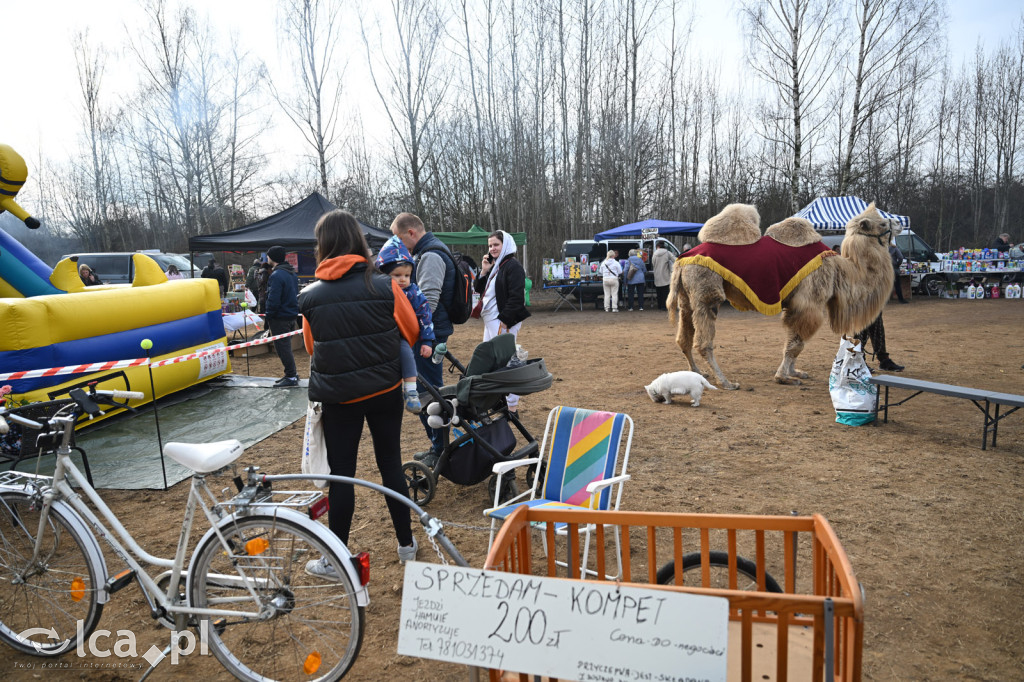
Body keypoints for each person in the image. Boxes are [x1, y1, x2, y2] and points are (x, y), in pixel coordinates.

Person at [298, 210, 420, 570]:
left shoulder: (309, 297)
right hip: (384, 390)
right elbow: (411, 330)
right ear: (358, 241)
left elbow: (311, 346)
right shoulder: (386, 285)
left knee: (342, 476)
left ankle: (334, 560)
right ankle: (406, 545)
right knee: (391, 465)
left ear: (322, 245)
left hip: (339, 397)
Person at [390, 212, 458, 464]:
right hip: (428, 333)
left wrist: (411, 328)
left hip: (428, 335)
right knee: (426, 391)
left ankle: (440, 450)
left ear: (411, 233)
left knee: (428, 393)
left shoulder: (430, 255)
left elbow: (428, 301)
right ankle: (438, 446)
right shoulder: (427, 252)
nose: (398, 244)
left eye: (398, 238)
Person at [374, 236, 435, 413]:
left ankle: (411, 390)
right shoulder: (378, 291)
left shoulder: (413, 293)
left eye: (407, 275)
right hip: (380, 335)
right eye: (397, 275)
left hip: (401, 335)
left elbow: (425, 315)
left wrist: (426, 340)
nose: (403, 279)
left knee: (408, 355)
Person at [475, 230, 530, 416]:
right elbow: (478, 289)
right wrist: (484, 270)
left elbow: (516, 298)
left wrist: (505, 321)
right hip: (491, 321)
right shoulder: (496, 266)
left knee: (508, 364)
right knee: (492, 361)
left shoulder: (513, 266)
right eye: (490, 245)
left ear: (505, 244)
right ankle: (500, 402)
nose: (492, 248)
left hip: (502, 321)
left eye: (496, 244)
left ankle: (512, 407)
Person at [265, 246, 300, 387]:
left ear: (272, 257)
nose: (267, 258)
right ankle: (291, 374)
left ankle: (291, 376)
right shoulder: (291, 273)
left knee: (283, 349)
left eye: (268, 256)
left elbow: (273, 299)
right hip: (291, 315)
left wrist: (269, 316)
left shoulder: (277, 275)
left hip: (279, 317)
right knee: (285, 348)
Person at [651, 243, 673, 310]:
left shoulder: (654, 254)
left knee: (659, 292)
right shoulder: (667, 253)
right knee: (665, 292)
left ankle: (659, 306)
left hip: (657, 276)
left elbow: (653, 263)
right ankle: (664, 306)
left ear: (658, 246)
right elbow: (675, 259)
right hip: (665, 276)